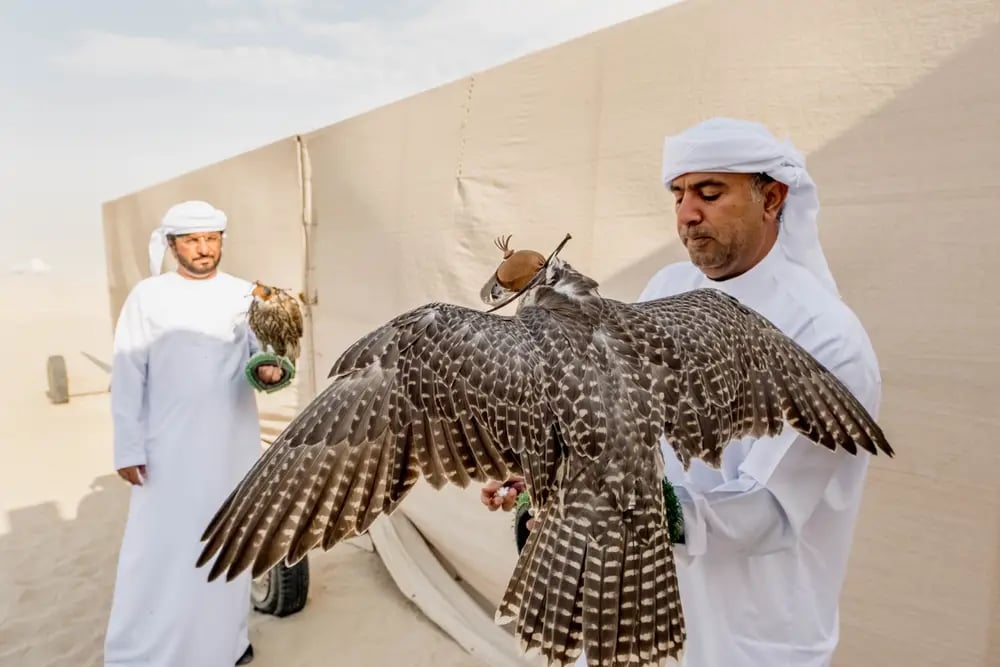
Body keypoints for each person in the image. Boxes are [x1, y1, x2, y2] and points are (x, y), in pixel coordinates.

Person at [481, 117, 882, 666]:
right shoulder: (671, 288)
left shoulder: (825, 338)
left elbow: (770, 509)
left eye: (710, 193)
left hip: (745, 636)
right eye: (678, 194)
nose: (688, 214)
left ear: (773, 198)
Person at [104, 200, 285, 667]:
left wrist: (269, 371)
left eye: (211, 239)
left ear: (222, 240)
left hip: (231, 444)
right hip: (165, 448)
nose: (203, 249)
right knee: (159, 547)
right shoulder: (147, 296)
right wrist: (128, 445)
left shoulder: (248, 294)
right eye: (192, 240)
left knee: (226, 542)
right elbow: (127, 372)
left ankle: (225, 646)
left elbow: (263, 359)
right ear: (172, 244)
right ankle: (144, 652)